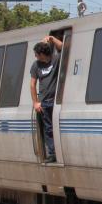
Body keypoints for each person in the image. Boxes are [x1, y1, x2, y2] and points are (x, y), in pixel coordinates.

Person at [30, 35, 63, 163]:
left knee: (57, 127)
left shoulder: (55, 59)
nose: (35, 57)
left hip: (55, 101)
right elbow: (32, 84)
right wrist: (35, 102)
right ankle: (52, 153)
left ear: (42, 54)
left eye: (36, 54)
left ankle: (60, 152)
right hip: (44, 102)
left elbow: (62, 47)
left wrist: (52, 38)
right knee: (48, 129)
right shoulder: (36, 65)